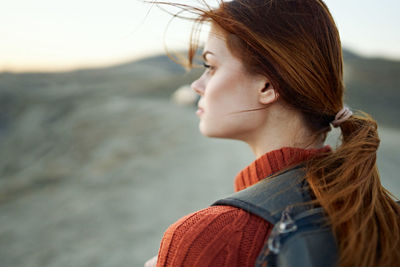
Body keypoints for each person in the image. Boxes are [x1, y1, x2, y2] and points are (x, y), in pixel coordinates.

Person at [144, 0, 400, 266]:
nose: (197, 85)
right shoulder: (381, 213)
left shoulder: (209, 237)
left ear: (267, 86)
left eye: (211, 67)